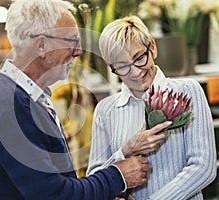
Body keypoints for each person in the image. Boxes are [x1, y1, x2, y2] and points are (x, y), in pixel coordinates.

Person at [0, 1, 170, 199]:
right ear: (42, 45)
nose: (79, 51)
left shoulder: (25, 97)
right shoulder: (9, 105)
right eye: (71, 41)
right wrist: (118, 176)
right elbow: (53, 194)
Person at [87, 15, 217, 199]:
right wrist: (124, 151)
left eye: (139, 58)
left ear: (153, 48)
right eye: (122, 66)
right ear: (112, 68)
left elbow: (203, 167)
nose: (136, 72)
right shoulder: (105, 110)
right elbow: (94, 177)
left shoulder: (188, 91)